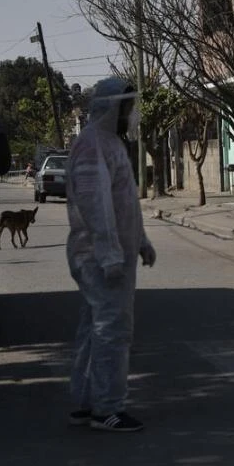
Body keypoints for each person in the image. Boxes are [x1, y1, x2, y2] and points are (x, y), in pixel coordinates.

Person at [65, 77, 156, 432]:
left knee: (94, 328)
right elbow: (95, 205)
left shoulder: (109, 143)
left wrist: (142, 240)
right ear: (114, 107)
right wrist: (108, 255)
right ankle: (107, 408)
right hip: (100, 259)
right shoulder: (92, 146)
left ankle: (88, 401)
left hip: (112, 254)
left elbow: (123, 203)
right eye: (128, 107)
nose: (132, 114)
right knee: (112, 330)